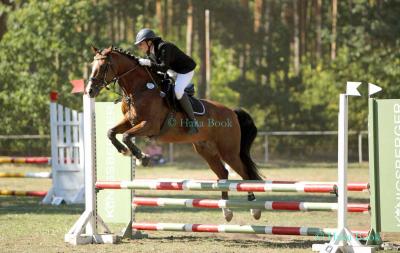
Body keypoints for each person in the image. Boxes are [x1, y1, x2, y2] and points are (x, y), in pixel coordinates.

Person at [135, 28, 198, 134]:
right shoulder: (150, 52)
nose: (139, 47)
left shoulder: (164, 47)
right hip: (172, 71)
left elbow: (163, 68)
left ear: (149, 42)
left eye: (141, 44)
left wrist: (149, 63)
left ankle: (193, 122)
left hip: (185, 70)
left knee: (178, 91)